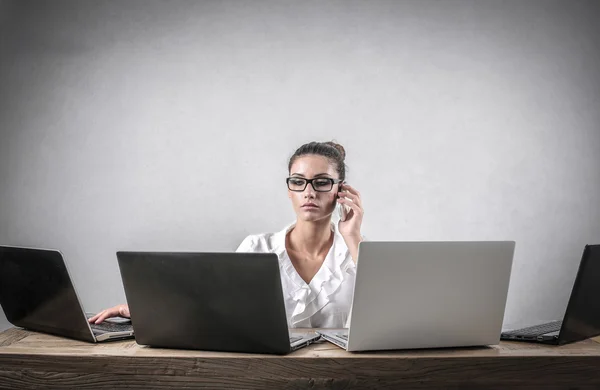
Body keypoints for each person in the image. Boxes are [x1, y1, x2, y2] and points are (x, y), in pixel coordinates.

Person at [89, 141, 364, 328]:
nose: (309, 191)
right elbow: (212, 308)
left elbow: (386, 315)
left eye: (322, 182)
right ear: (289, 188)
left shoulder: (357, 253)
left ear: (341, 190)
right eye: (298, 181)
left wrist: (353, 236)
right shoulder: (258, 248)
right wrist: (145, 310)